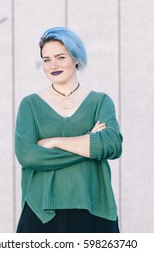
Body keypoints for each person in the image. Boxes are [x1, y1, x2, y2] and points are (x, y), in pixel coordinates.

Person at [15, 27, 123, 233]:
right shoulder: (30, 105)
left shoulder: (100, 101)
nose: (52, 65)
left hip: (93, 206)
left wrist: (55, 141)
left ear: (76, 58)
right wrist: (89, 144)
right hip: (42, 210)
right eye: (46, 59)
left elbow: (113, 145)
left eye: (60, 57)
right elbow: (28, 156)